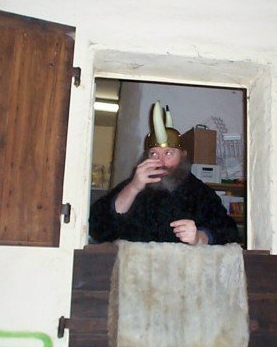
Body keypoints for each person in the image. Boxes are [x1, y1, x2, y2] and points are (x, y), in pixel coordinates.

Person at [89, 101, 238, 246]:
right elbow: (97, 228)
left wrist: (200, 237)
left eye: (168, 153)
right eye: (154, 154)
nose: (160, 161)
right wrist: (133, 188)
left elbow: (229, 231)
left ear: (183, 155)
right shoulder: (132, 185)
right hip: (135, 262)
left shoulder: (200, 193)